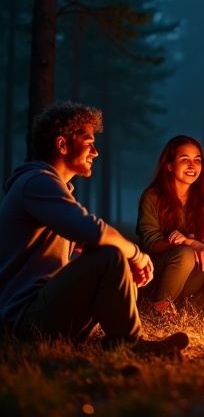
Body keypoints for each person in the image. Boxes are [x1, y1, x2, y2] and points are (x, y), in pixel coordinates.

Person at [0, 101, 188, 355]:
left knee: (111, 257)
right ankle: (130, 344)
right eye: (89, 142)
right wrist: (137, 254)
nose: (95, 152)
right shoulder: (36, 182)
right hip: (23, 321)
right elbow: (95, 231)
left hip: (41, 313)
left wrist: (119, 276)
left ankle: (120, 339)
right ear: (62, 144)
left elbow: (74, 254)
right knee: (109, 255)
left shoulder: (51, 188)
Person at [136, 135, 204, 314]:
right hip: (159, 274)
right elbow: (151, 242)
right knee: (185, 254)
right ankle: (160, 309)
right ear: (169, 165)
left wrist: (193, 239)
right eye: (185, 160)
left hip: (190, 276)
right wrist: (187, 244)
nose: (192, 165)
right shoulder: (152, 198)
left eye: (197, 160)